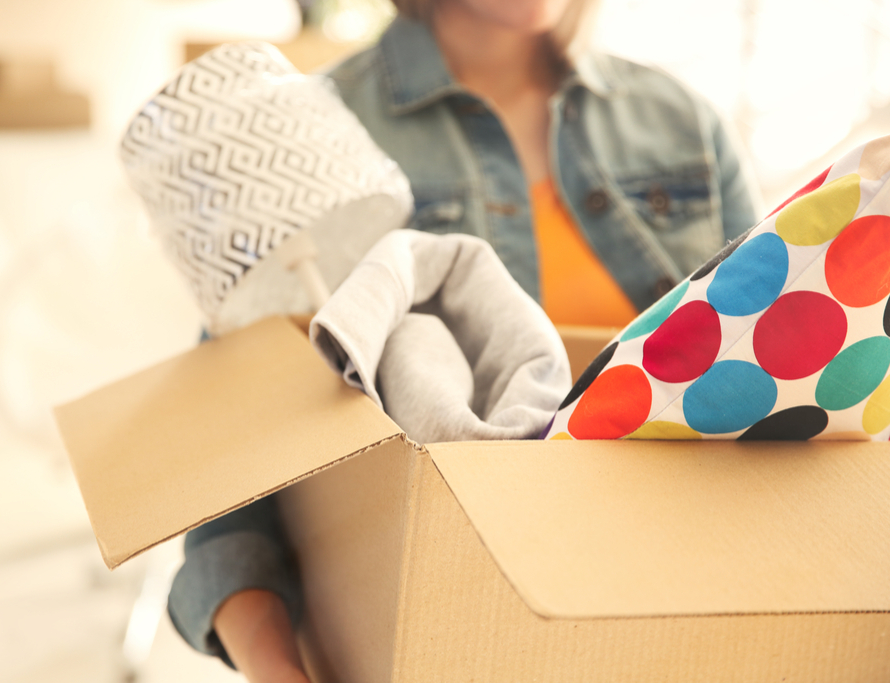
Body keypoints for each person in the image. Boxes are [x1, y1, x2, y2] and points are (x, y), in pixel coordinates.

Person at [167, 0, 762, 681]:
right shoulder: (303, 142)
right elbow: (230, 488)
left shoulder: (681, 122)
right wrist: (279, 668)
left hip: (671, 626)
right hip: (433, 640)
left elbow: (760, 377)